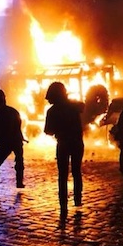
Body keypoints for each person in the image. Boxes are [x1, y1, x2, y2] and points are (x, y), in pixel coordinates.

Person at [43, 81, 85, 227]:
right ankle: (77, 199)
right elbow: (82, 107)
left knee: (63, 175)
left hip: (63, 143)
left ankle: (63, 204)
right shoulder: (74, 106)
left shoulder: (52, 111)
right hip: (77, 142)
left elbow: (48, 131)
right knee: (76, 171)